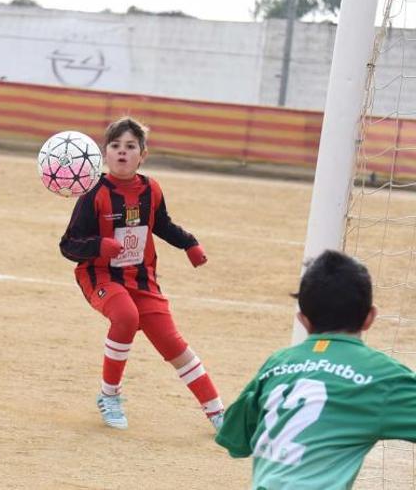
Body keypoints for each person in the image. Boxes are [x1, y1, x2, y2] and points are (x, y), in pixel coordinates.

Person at [59, 117, 223, 430]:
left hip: (143, 280)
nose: (122, 152)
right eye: (115, 146)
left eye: (130, 146)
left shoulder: (151, 189)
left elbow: (161, 224)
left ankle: (217, 412)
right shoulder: (93, 192)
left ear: (142, 154)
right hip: (101, 277)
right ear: (104, 154)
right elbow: (68, 245)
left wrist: (189, 244)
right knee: (125, 316)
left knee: (174, 345)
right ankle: (109, 395)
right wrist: (99, 245)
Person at [216, 250, 416, 489]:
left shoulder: (278, 363)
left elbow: (235, 440)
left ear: (303, 320)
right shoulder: (383, 377)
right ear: (370, 317)